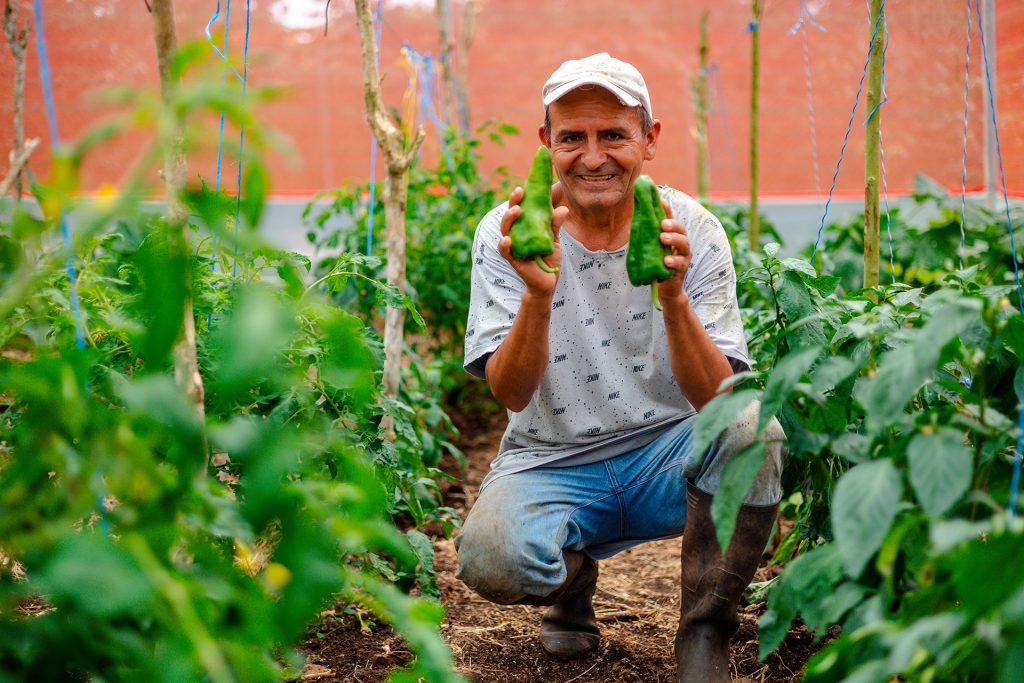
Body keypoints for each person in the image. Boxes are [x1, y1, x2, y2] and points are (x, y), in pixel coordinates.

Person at [455, 53, 785, 682]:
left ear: (649, 140)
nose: (593, 155)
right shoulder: (507, 232)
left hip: (669, 452)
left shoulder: (690, 229)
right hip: (551, 456)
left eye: (613, 135)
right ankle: (572, 585)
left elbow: (718, 395)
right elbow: (511, 392)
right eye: (572, 137)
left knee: (752, 427)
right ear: (547, 142)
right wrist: (537, 294)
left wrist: (675, 297)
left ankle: (704, 633)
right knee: (492, 559)